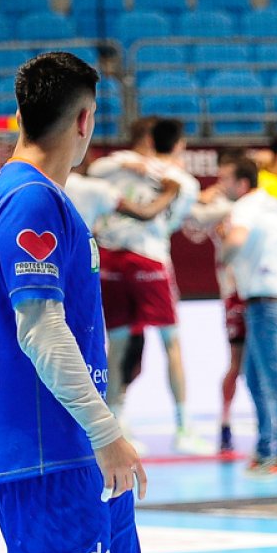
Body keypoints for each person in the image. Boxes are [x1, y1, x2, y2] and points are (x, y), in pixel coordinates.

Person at [0, 51, 148, 553]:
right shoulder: (29, 199)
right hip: (50, 452)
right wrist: (105, 431)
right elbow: (40, 327)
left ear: (20, 113)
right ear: (85, 120)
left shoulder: (33, 194)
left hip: (77, 443)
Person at [90, 118, 207, 455]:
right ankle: (184, 428)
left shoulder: (113, 166)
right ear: (178, 144)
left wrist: (131, 165)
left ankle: (114, 422)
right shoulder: (182, 181)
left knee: (119, 343)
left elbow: (95, 169)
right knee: (171, 343)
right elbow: (172, 219)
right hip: (150, 260)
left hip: (111, 261)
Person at [220, 155, 277, 479]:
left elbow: (236, 240)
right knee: (257, 378)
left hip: (266, 302)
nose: (221, 184)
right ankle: (267, 449)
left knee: (274, 380)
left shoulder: (244, 207)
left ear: (242, 183)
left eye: (226, 178)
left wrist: (222, 254)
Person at [184, 152, 248, 452]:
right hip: (235, 296)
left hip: (265, 291)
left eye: (226, 178)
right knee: (236, 362)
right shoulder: (221, 209)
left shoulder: (258, 207)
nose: (221, 184)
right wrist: (200, 197)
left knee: (271, 362)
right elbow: (191, 223)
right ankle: (224, 422)